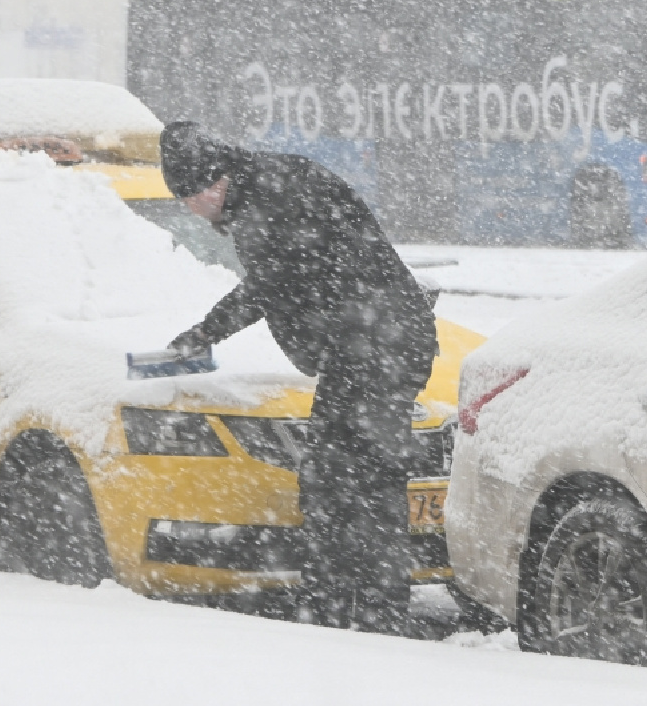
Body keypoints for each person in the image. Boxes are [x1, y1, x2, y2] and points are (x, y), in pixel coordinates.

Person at [158, 121, 439, 635]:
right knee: (356, 475)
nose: (190, 211)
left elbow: (268, 286)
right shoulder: (274, 181)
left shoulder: (265, 202)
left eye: (188, 199)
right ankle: (364, 603)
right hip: (381, 340)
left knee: (340, 478)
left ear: (210, 184)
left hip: (374, 346)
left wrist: (203, 334)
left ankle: (349, 607)